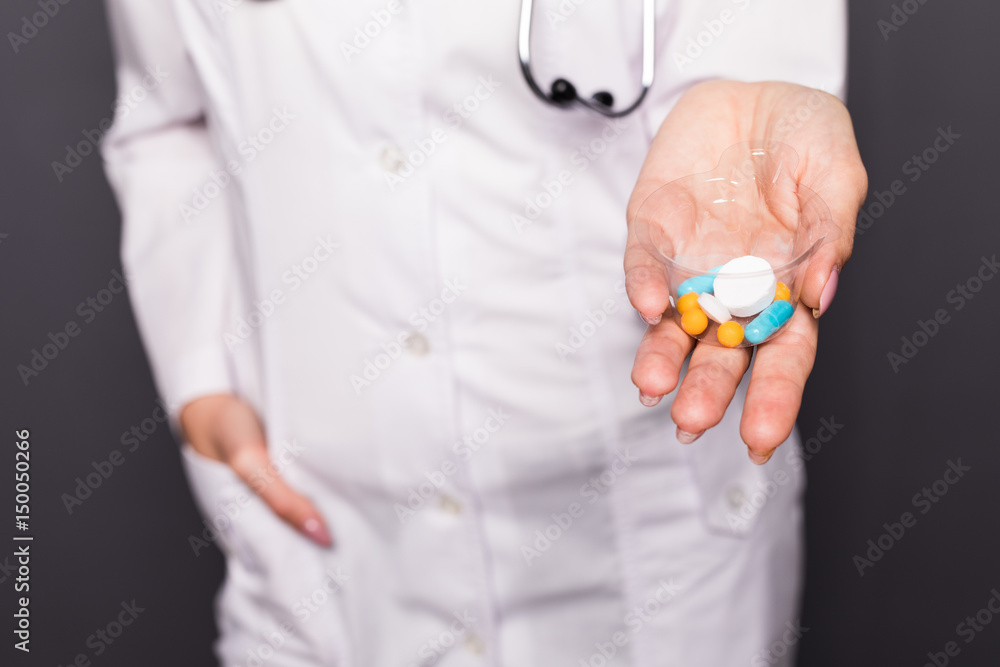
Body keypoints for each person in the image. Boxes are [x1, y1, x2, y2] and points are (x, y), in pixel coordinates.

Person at [100, 1, 866, 665]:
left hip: (646, 528)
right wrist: (201, 378)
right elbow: (165, 121)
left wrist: (761, 135)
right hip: (329, 546)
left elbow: (748, 86)